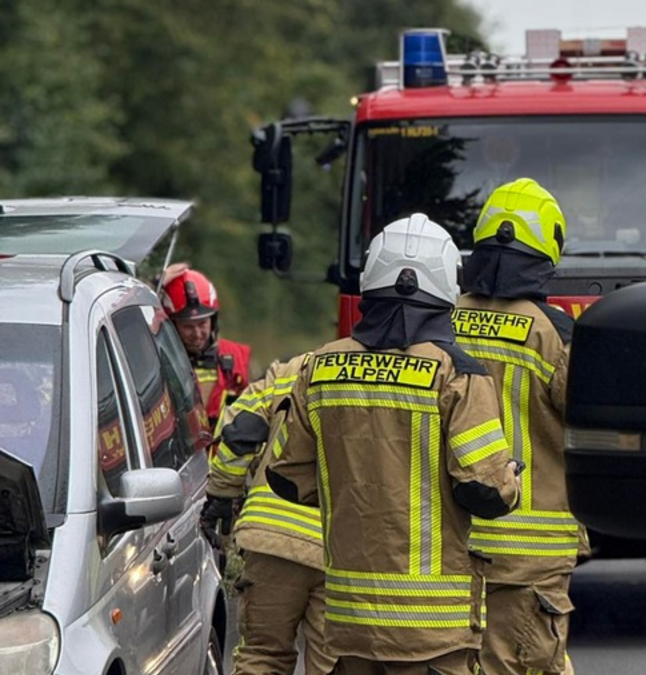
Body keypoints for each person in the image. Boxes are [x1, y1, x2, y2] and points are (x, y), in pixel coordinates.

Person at [265, 214, 522, 675]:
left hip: (350, 622)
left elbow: (286, 478)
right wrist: (511, 480)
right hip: (433, 631)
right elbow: (486, 494)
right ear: (447, 286)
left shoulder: (320, 367)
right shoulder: (457, 374)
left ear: (370, 280)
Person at [454, 178, 587, 675]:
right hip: (530, 556)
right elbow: (591, 422)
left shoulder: (438, 322)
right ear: (547, 251)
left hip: (451, 542)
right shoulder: (552, 334)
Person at [205, 353, 335, 675]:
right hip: (344, 549)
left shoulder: (293, 370)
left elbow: (241, 431)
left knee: (262, 657)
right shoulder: (409, 374)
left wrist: (223, 491)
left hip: (272, 539)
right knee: (335, 663)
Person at [160, 266, 251, 427]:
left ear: (213, 321)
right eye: (187, 326)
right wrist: (151, 287)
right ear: (172, 326)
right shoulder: (158, 360)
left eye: (202, 323)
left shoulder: (238, 356)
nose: (197, 333)